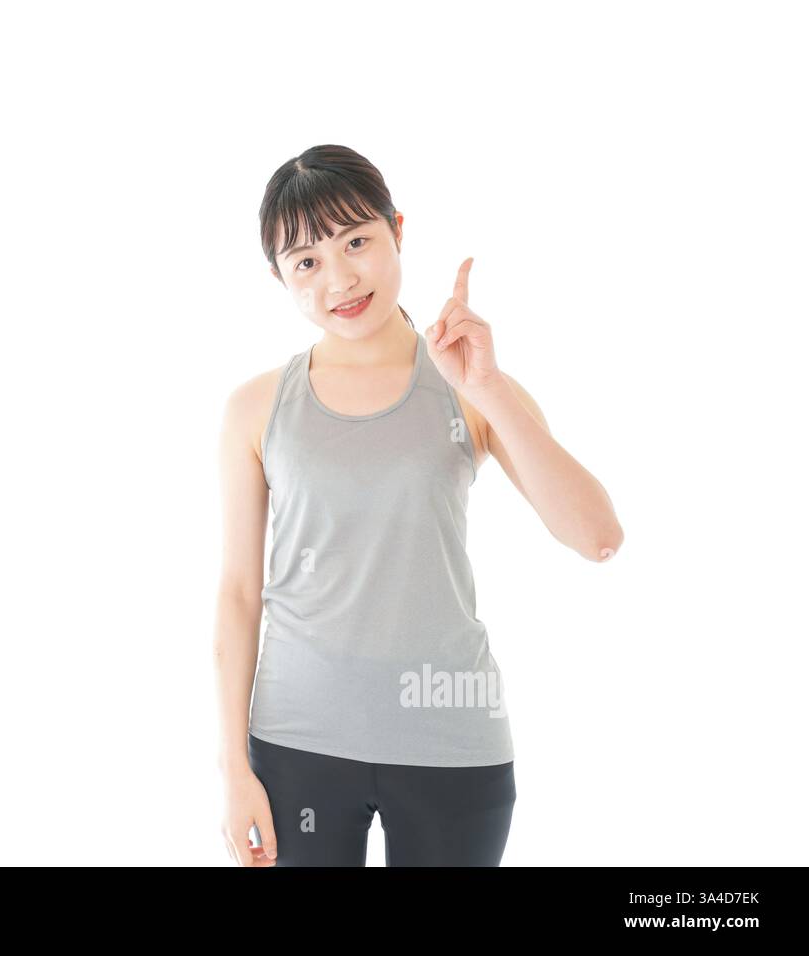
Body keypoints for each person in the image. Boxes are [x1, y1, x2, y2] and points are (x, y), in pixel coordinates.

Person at [214, 144, 624, 867]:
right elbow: (241, 595)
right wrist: (233, 771)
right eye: (306, 261)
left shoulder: (470, 383)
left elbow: (596, 536)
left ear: (397, 230)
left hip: (452, 743)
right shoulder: (256, 408)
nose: (339, 277)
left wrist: (490, 388)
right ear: (278, 277)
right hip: (296, 744)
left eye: (357, 242)